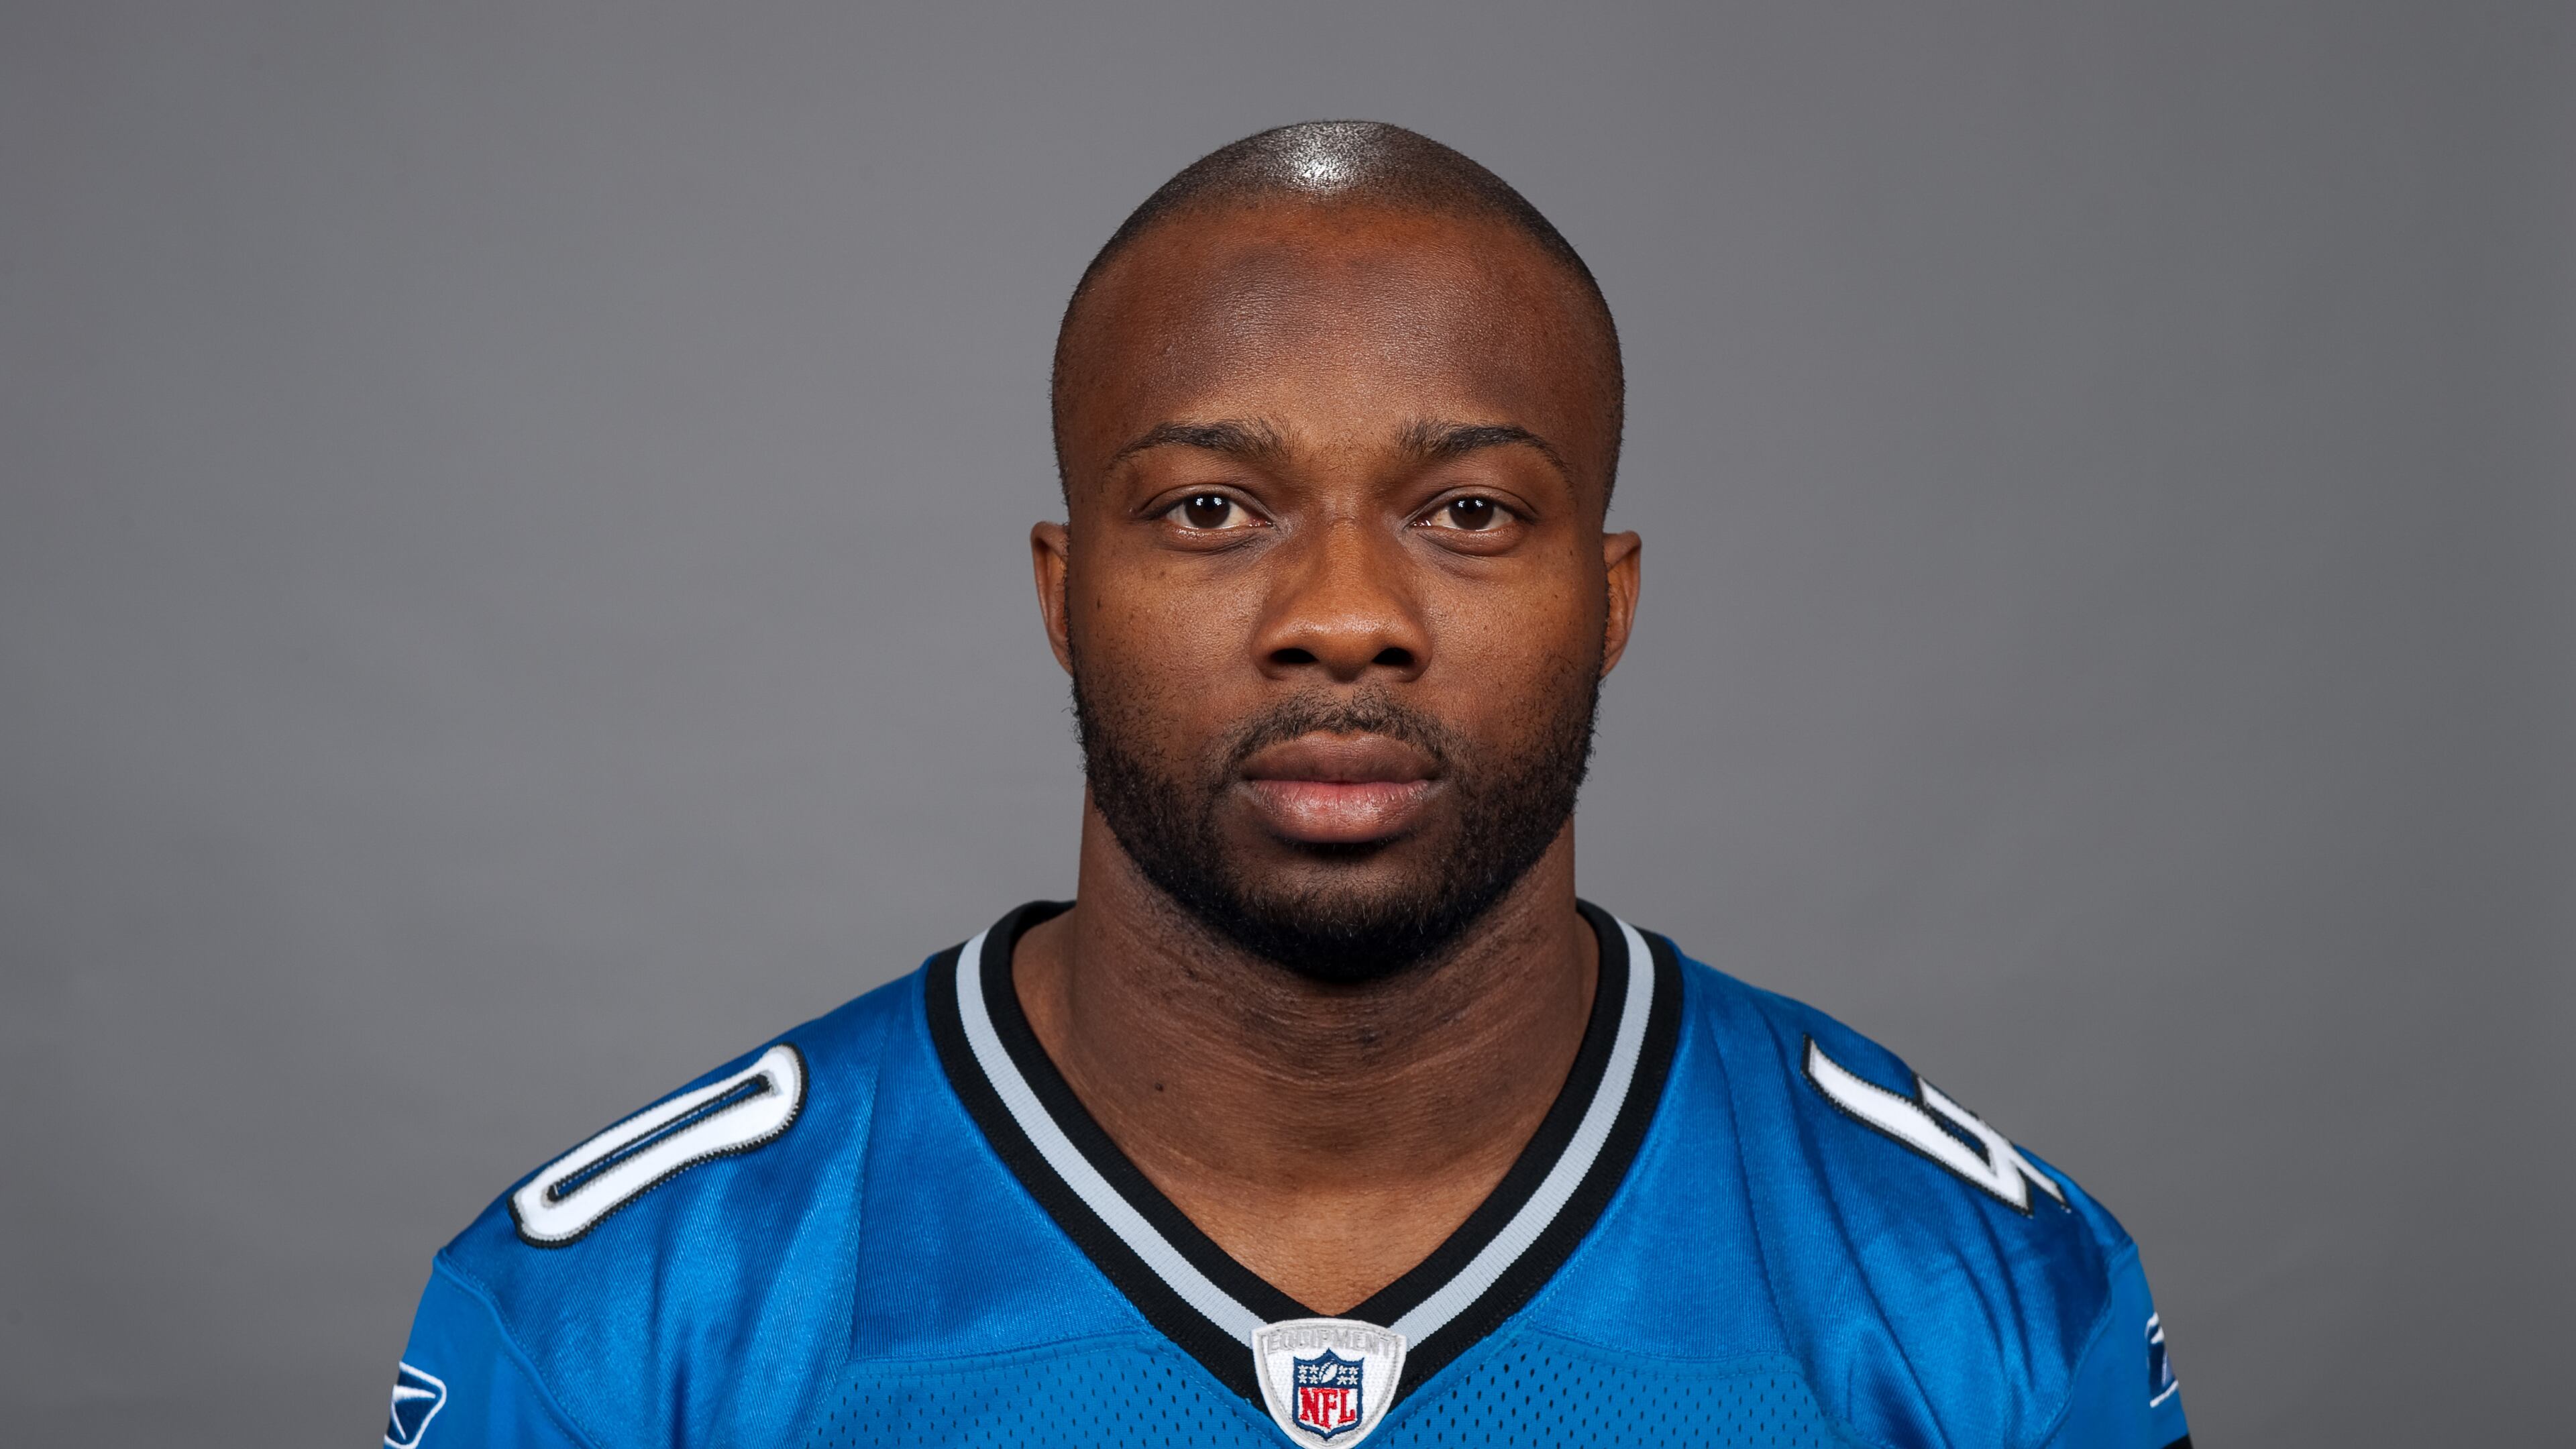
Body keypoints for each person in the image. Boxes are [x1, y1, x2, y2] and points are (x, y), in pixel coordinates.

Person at [385, 121, 2190, 1449]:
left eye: (1468, 513)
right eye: (1210, 512)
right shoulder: (625, 1314)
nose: (1343, 617)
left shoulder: (1976, 1295)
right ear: (1063, 595)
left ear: (1609, 602)